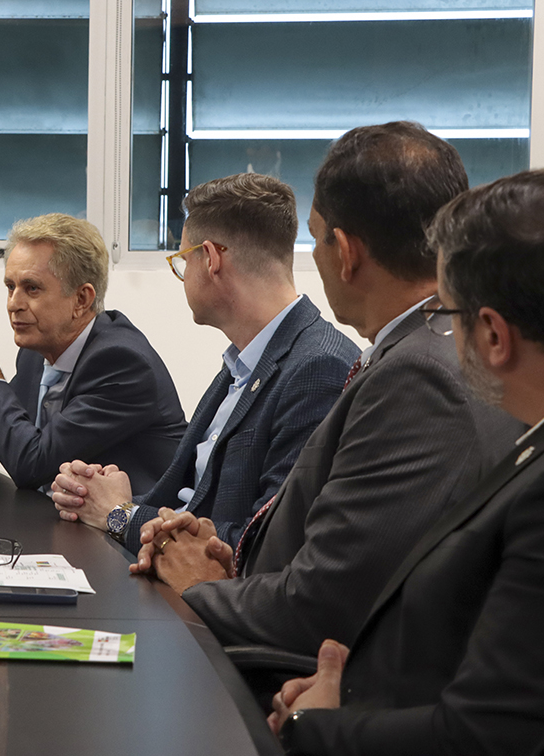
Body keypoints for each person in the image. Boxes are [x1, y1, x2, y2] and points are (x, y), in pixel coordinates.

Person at [127, 122, 523, 655]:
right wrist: (231, 557)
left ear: (346, 252)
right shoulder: (434, 345)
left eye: (314, 240)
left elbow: (321, 602)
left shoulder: (418, 376)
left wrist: (202, 587)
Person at [268, 170, 544, 756]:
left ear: (493, 336)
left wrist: (314, 727)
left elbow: (485, 734)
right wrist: (352, 680)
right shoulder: (541, 442)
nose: (441, 334)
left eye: (446, 315)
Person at [51, 174, 359, 549]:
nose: (182, 277)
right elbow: (191, 501)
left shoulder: (317, 368)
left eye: (182, 260)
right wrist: (97, 497)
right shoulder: (243, 362)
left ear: (211, 258)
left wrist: (118, 515)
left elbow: (258, 544)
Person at [0, 213, 186, 492]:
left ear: (81, 299)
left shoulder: (122, 363)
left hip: (130, 530)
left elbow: (33, 465)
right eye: (10, 287)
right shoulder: (36, 353)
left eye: (32, 288)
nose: (13, 304)